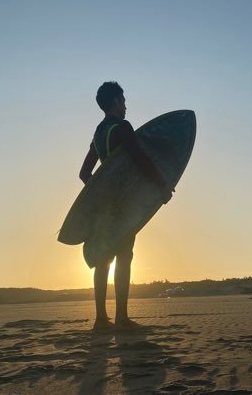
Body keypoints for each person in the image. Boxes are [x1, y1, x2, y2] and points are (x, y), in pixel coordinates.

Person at [79, 81, 172, 331]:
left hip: (104, 210)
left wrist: (99, 195)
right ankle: (121, 319)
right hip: (124, 205)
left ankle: (101, 319)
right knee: (124, 257)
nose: (126, 105)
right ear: (115, 102)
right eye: (123, 100)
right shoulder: (122, 128)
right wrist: (162, 185)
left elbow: (84, 173)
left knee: (102, 260)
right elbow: (141, 159)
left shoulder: (98, 134)